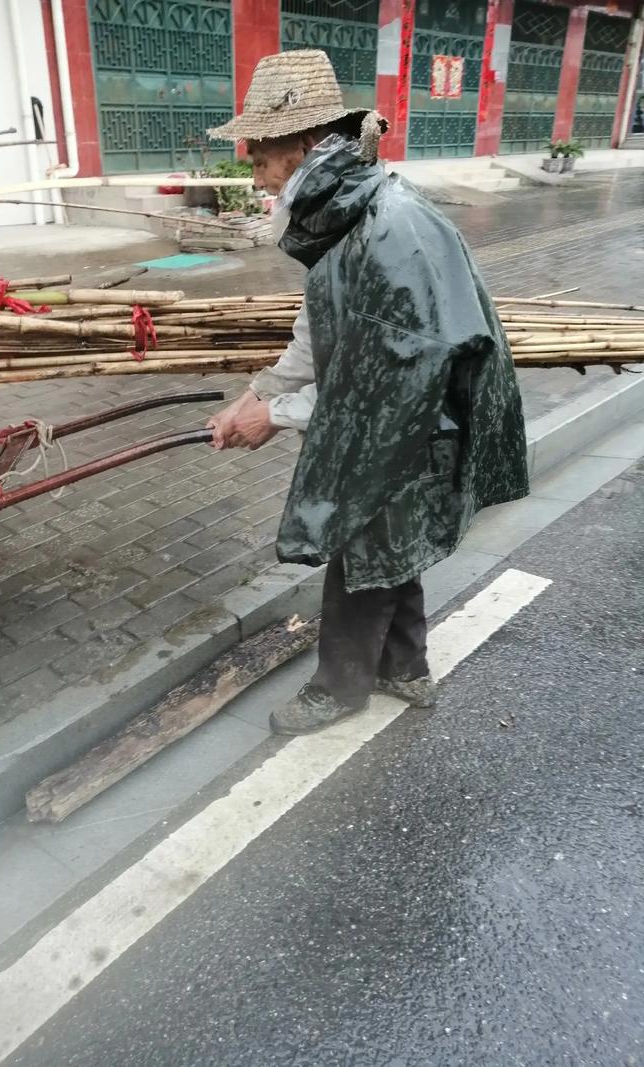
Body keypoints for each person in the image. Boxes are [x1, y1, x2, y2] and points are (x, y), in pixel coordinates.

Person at [206, 50, 529, 736]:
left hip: (420, 412)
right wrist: (257, 394)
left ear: (300, 147)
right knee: (392, 535)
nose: (253, 171)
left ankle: (338, 688)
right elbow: (316, 332)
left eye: (259, 154)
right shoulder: (343, 214)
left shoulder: (387, 230)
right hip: (400, 408)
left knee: (361, 534)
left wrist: (278, 415)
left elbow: (383, 387)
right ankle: (405, 668)